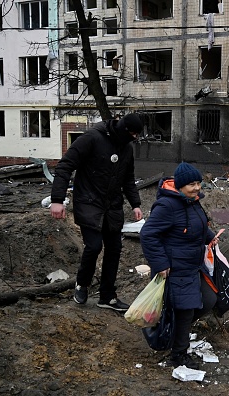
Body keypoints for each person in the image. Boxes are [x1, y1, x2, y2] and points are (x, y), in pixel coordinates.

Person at [50, 113, 144, 312]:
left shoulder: (126, 148)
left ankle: (107, 296)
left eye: (137, 134)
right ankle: (82, 284)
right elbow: (65, 166)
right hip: (89, 202)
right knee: (93, 246)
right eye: (133, 133)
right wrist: (57, 200)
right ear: (123, 128)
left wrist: (135, 203)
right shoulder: (91, 138)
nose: (135, 137)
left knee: (114, 249)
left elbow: (128, 178)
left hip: (112, 207)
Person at [140, 162, 219, 369]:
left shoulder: (192, 201)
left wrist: (209, 237)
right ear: (180, 185)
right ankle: (178, 355)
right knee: (185, 311)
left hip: (192, 265)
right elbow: (148, 235)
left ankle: (174, 332)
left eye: (198, 183)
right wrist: (160, 264)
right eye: (192, 184)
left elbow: (196, 224)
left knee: (209, 299)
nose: (197, 188)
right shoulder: (167, 206)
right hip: (174, 269)